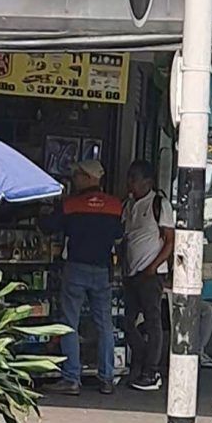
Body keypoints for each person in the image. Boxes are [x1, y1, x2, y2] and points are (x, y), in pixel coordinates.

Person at [42, 160, 122, 396]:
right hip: (102, 270)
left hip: (76, 268)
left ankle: (71, 378)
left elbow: (48, 227)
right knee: (105, 324)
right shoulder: (115, 206)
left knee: (69, 322)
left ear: (87, 177)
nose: (74, 179)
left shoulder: (71, 204)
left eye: (77, 175)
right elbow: (119, 236)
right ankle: (107, 378)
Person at [123, 160, 175, 391]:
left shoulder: (159, 204)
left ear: (148, 181)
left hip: (151, 274)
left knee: (153, 322)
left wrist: (154, 267)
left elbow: (170, 240)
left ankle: (151, 371)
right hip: (131, 272)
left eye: (135, 178)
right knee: (127, 321)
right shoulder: (129, 205)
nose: (130, 183)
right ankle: (142, 358)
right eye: (130, 178)